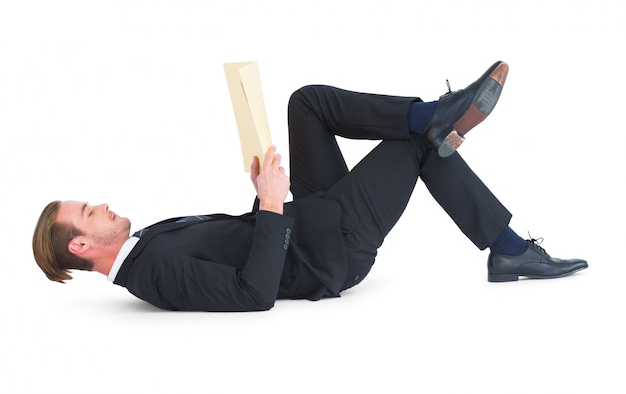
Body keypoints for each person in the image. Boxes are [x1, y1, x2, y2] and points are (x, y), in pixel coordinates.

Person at [32, 61, 588, 312]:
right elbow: (253, 295)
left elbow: (242, 242)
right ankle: (509, 248)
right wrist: (273, 205)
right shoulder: (153, 274)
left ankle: (434, 117)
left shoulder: (148, 242)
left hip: (307, 219)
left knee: (307, 102)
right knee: (418, 147)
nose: (101, 204)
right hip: (332, 251)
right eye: (89, 211)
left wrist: (262, 193)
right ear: (81, 246)